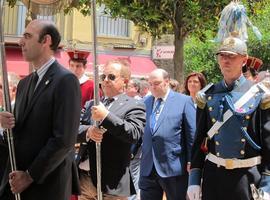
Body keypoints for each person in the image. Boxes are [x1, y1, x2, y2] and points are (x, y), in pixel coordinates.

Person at [0, 19, 81, 200]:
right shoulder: (24, 83)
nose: (21, 42)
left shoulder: (66, 81)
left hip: (47, 186)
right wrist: (7, 126)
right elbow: (20, 134)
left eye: (28, 36)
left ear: (46, 41)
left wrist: (30, 176)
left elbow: (64, 139)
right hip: (16, 183)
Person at [187, 35, 270, 200]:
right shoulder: (207, 95)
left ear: (244, 60)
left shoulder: (260, 95)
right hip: (214, 177)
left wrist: (267, 183)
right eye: (222, 56)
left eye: (232, 56)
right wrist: (194, 179)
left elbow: (268, 143)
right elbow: (198, 140)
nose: (226, 60)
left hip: (247, 177)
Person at [77, 59, 146, 200]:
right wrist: (89, 131)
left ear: (125, 82)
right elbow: (74, 129)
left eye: (111, 77)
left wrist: (106, 116)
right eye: (104, 77)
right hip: (85, 180)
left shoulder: (134, 105)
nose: (106, 80)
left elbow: (133, 134)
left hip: (112, 183)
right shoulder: (92, 103)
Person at [139, 68, 196, 200]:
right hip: (148, 167)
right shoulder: (145, 102)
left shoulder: (184, 101)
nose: (152, 87)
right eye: (150, 84)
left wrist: (191, 161)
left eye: (156, 83)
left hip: (173, 167)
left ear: (167, 82)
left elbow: (192, 134)